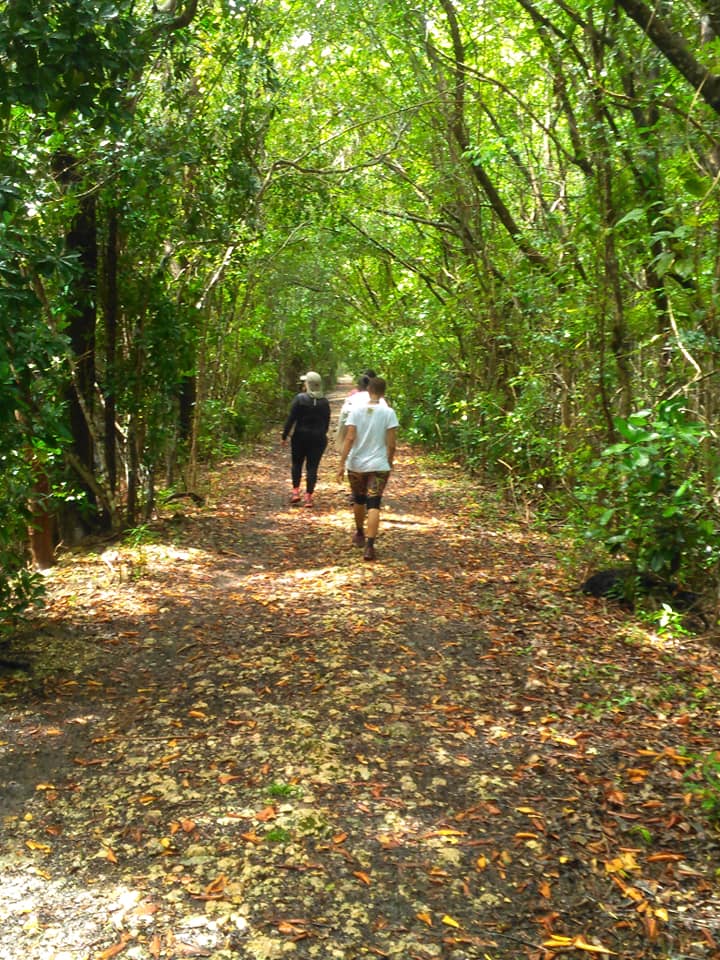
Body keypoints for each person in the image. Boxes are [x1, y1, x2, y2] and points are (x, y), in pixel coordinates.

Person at [336, 376, 398, 561]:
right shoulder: (389, 413)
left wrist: (341, 462)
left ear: (368, 390)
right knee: (374, 503)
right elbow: (392, 443)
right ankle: (370, 546)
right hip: (378, 464)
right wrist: (389, 460)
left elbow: (349, 437)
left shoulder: (356, 410)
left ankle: (360, 533)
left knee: (359, 499)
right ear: (384, 392)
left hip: (356, 464)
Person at [282, 371, 331, 507]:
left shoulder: (300, 399)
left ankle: (295, 492)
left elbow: (291, 418)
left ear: (308, 384)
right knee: (312, 467)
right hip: (318, 439)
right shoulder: (324, 402)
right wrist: (321, 433)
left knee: (297, 464)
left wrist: (284, 436)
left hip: (300, 437)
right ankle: (308, 497)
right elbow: (327, 422)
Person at [334, 369, 380, 452]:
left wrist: (340, 439)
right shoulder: (378, 399)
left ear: (358, 386)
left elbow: (343, 419)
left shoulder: (352, 397)